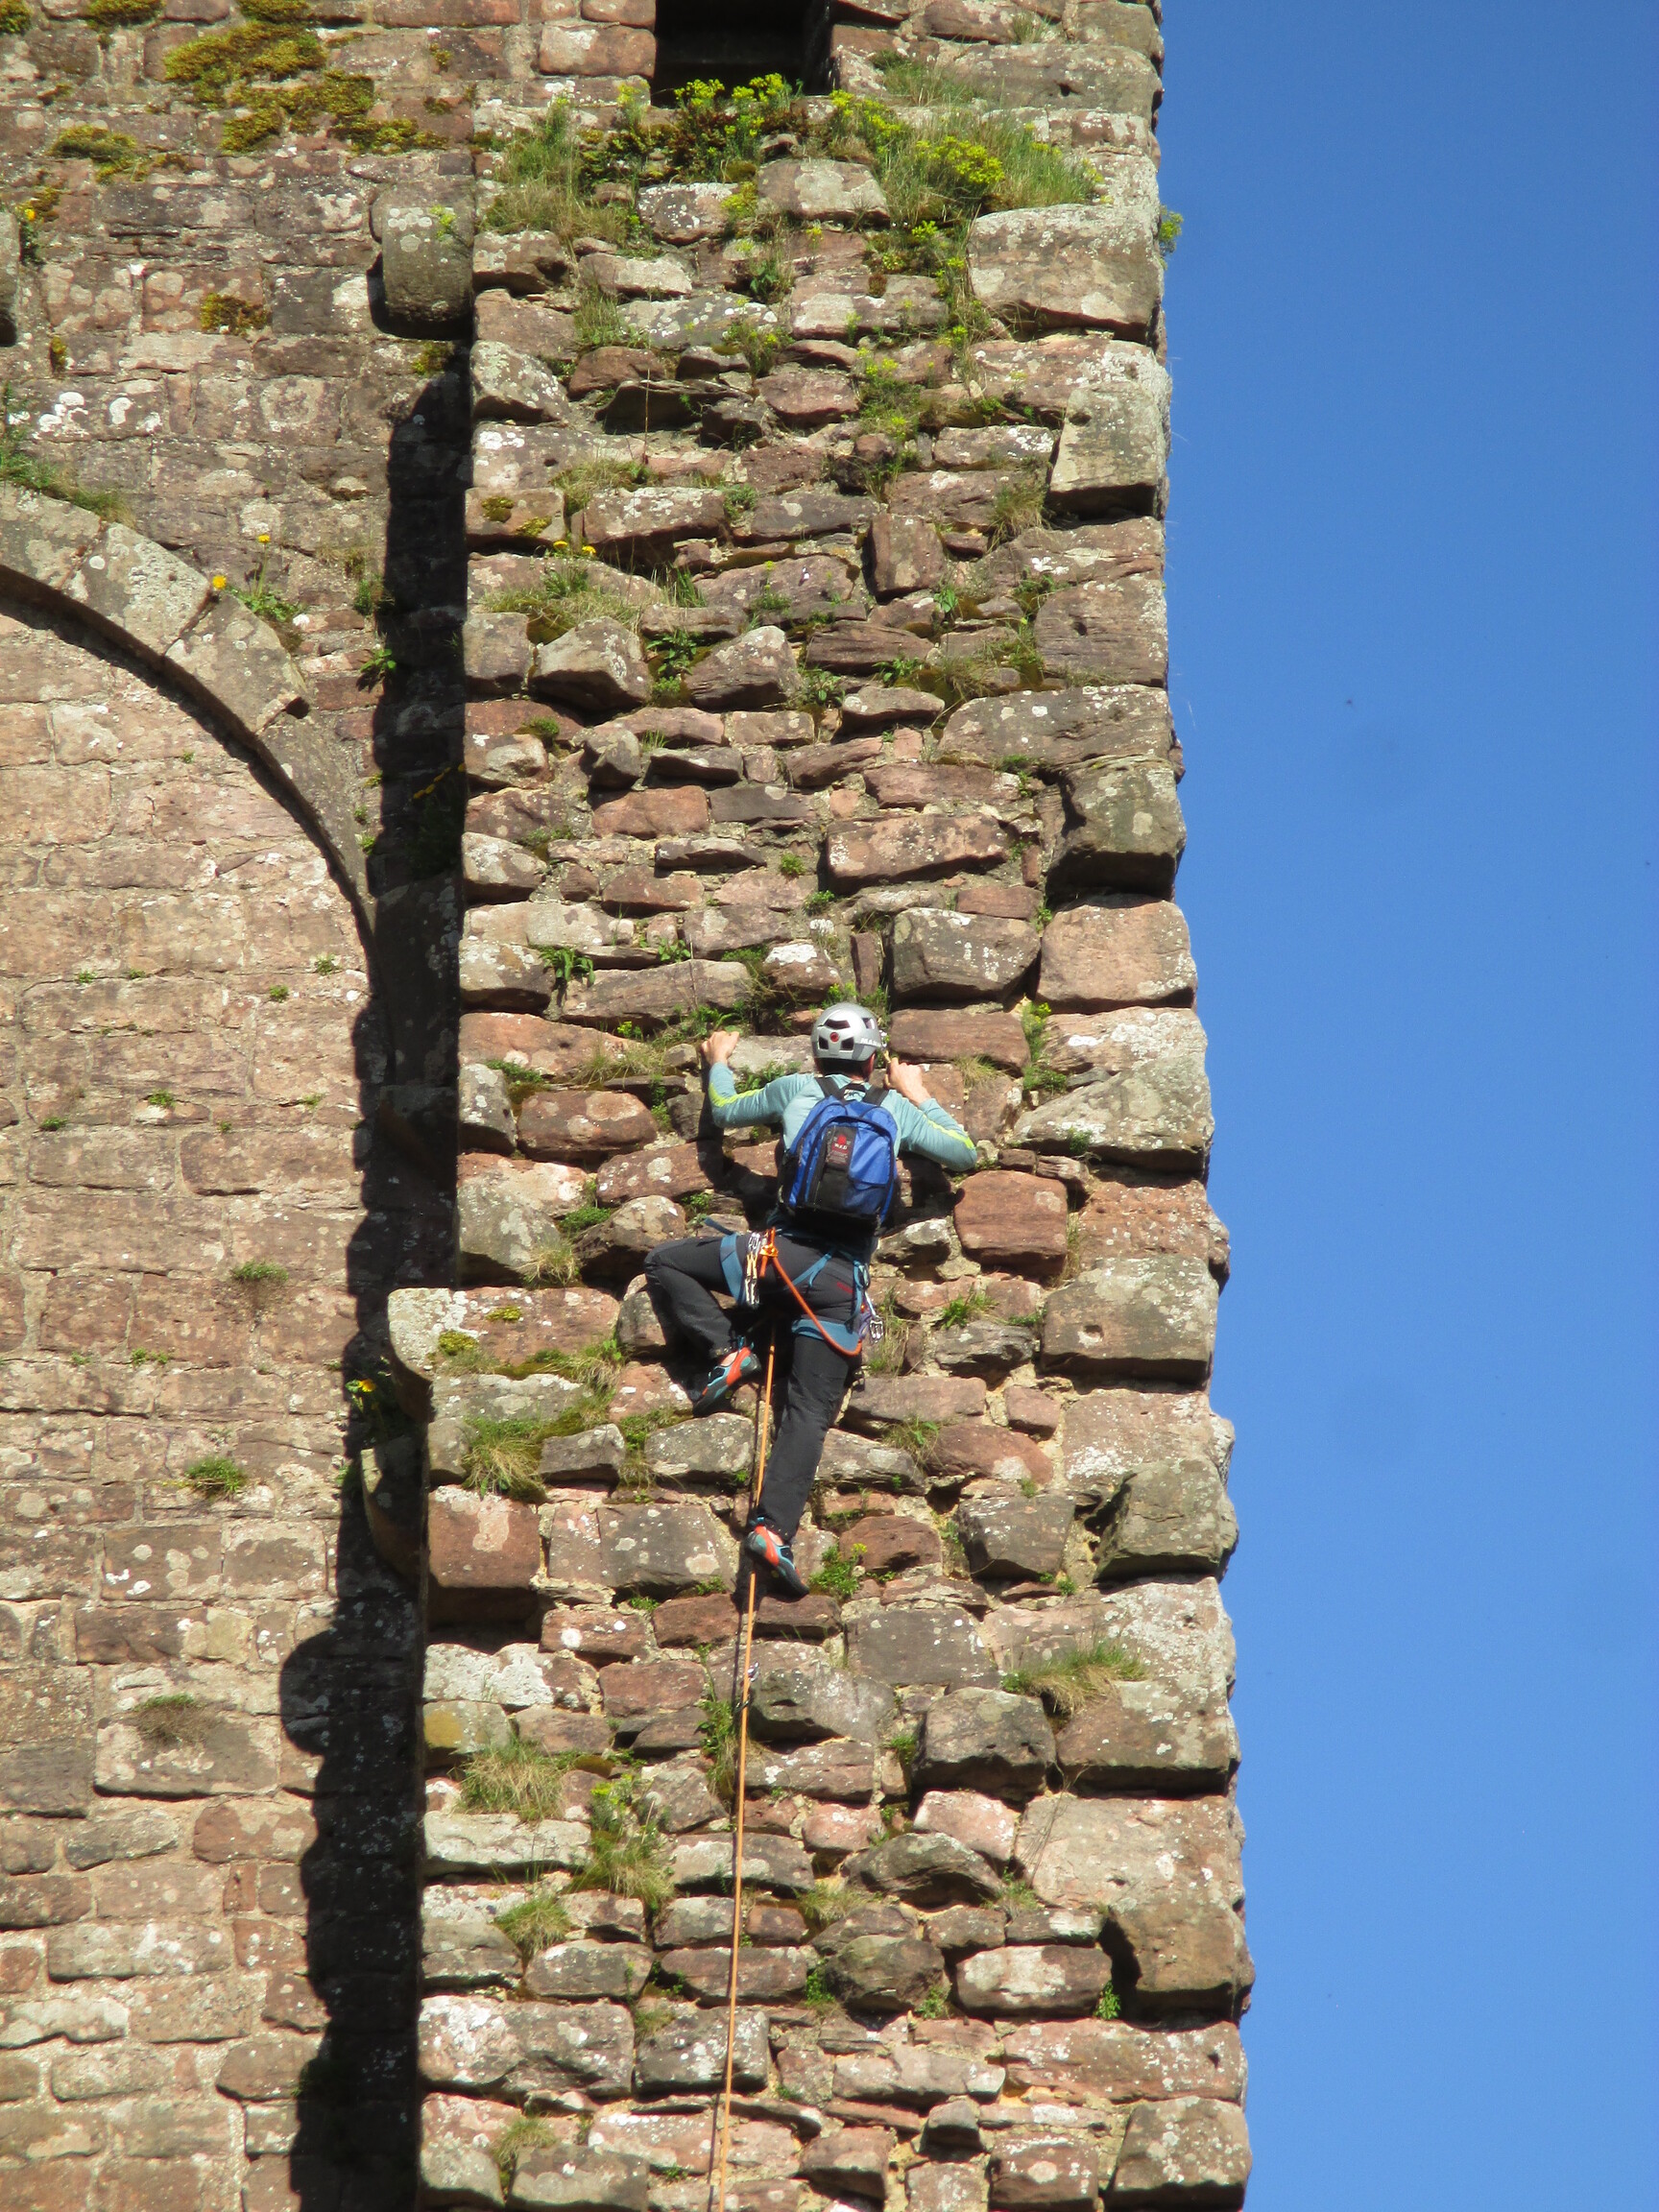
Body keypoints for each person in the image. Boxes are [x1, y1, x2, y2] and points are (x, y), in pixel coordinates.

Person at [643, 1004, 979, 1599]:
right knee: (807, 1415)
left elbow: (725, 1111)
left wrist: (718, 1061)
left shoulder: (796, 1088)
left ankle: (728, 1351)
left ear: (817, 1054)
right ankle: (773, 1531)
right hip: (841, 1288)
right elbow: (964, 1153)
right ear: (872, 1059)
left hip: (774, 1259)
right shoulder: (895, 1108)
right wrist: (918, 1093)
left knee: (666, 1261)